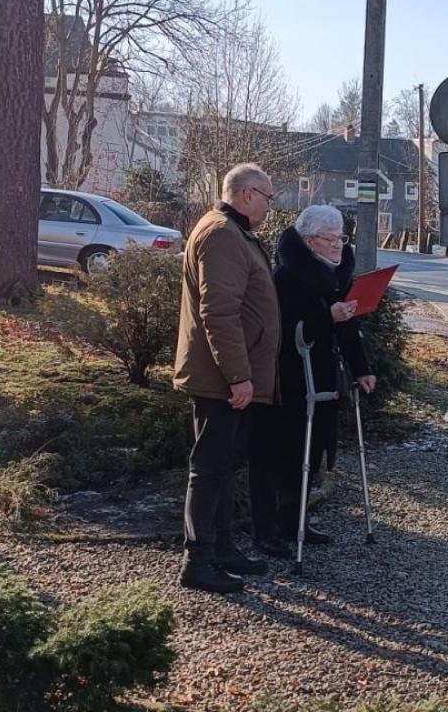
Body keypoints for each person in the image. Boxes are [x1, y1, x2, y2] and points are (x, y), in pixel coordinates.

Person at [173, 162, 280, 593]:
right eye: (268, 198)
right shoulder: (221, 234)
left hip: (228, 375)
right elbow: (218, 312)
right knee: (210, 467)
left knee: (224, 465)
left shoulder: (233, 232)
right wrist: (238, 376)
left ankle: (221, 549)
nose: (270, 206)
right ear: (248, 194)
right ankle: (197, 562)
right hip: (220, 378)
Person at [254, 205, 376, 554]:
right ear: (309, 242)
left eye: (341, 238)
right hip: (291, 378)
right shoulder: (285, 278)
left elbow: (349, 326)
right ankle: (274, 528)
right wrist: (327, 317)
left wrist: (362, 368)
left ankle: (297, 521)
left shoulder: (339, 274)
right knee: (287, 452)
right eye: (330, 239)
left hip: (326, 376)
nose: (339, 245)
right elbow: (283, 331)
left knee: (315, 448)